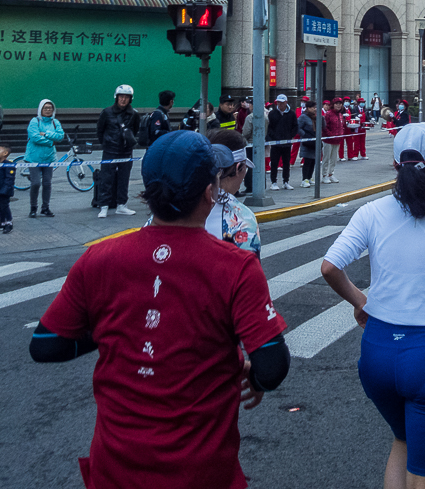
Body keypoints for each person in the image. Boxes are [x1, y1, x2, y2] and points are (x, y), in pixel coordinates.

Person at [30, 130, 290, 489]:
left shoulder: (99, 258)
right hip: (202, 472)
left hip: (115, 468)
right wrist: (253, 376)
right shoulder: (235, 267)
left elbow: (45, 344)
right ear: (209, 192)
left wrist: (110, 329)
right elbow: (273, 364)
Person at [321, 123, 425, 489]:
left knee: (402, 440)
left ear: (395, 165)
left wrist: (361, 301)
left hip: (377, 353)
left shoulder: (370, 212)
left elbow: (330, 267)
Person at [205, 129, 262, 256]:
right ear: (238, 168)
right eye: (245, 168)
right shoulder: (241, 218)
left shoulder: (173, 208)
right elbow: (249, 271)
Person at [96, 85, 140, 218]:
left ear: (130, 99)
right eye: (121, 97)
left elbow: (135, 130)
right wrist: (107, 143)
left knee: (124, 179)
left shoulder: (134, 114)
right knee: (106, 178)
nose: (123, 100)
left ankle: (122, 205)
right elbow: (100, 130)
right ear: (116, 97)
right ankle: (104, 206)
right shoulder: (107, 112)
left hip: (126, 152)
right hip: (110, 151)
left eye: (127, 97)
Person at [27, 99, 65, 218]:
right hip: (34, 158)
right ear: (40, 109)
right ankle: (33, 208)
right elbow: (34, 137)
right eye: (45, 108)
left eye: (50, 108)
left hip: (49, 159)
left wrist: (47, 134)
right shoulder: (35, 121)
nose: (48, 110)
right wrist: (50, 142)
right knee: (36, 183)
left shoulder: (55, 122)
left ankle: (45, 207)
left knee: (47, 183)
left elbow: (60, 136)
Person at [267, 94, 299, 190]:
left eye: (282, 102)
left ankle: (286, 181)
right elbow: (270, 128)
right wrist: (273, 138)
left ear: (286, 102)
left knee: (286, 163)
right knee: (274, 163)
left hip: (287, 143)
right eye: (278, 102)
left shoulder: (291, 114)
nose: (280, 104)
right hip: (276, 143)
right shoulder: (272, 113)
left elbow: (295, 126)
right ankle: (273, 182)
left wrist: (290, 136)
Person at [322, 98, 344, 184]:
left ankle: (331, 174)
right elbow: (324, 127)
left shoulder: (340, 115)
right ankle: (324, 175)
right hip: (328, 140)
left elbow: (342, 126)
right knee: (326, 158)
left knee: (334, 159)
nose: (338, 105)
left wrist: (341, 134)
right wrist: (330, 135)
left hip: (337, 140)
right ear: (333, 105)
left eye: (340, 103)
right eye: (336, 103)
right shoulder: (328, 114)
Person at [298, 100, 318, 187]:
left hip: (314, 142)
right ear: (308, 108)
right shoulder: (303, 117)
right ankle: (304, 179)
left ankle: (310, 177)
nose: (314, 109)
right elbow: (298, 127)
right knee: (307, 161)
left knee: (313, 160)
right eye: (313, 107)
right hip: (307, 142)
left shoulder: (315, 117)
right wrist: (304, 135)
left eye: (315, 107)